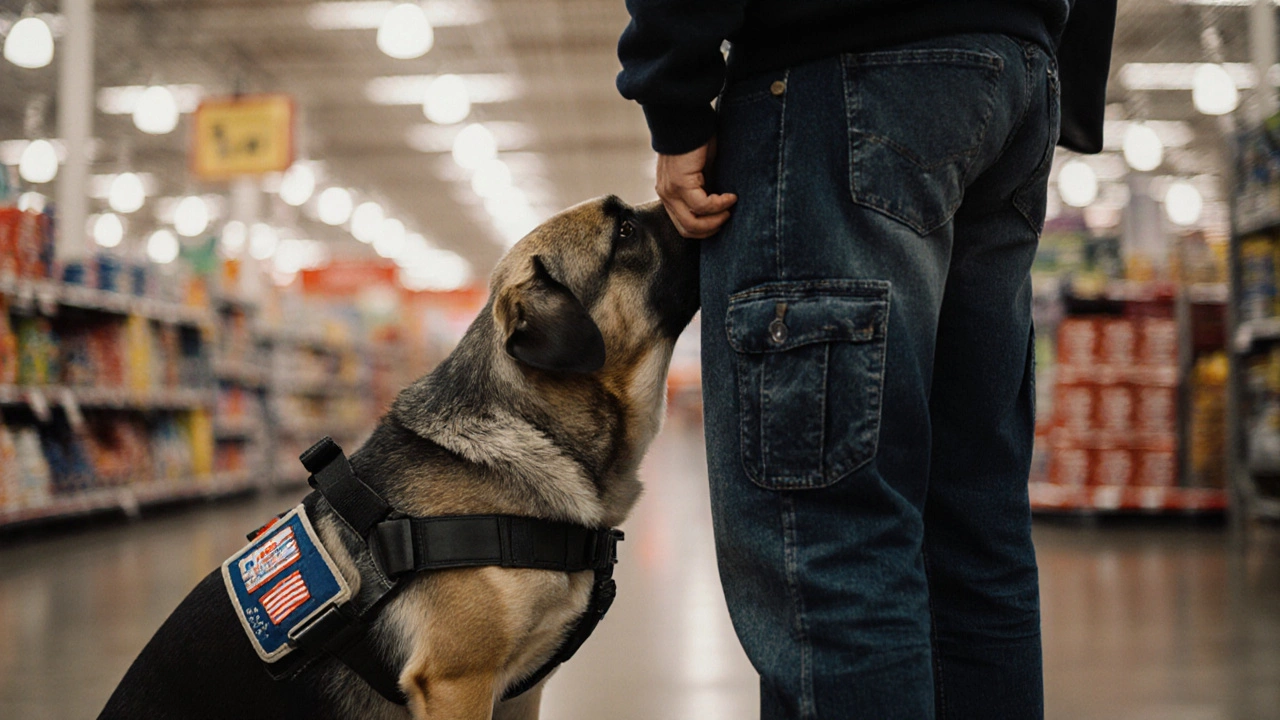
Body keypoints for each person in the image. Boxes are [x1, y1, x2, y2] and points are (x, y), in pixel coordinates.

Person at [617, 1, 1114, 718]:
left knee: (835, 551)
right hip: (1016, 73)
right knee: (975, 542)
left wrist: (677, 99)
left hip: (841, 72)